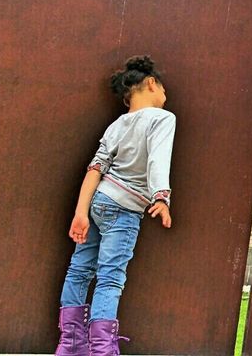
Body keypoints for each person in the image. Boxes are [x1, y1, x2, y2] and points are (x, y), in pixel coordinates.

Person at [53, 55, 176, 356]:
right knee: (110, 278)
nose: (165, 95)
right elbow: (157, 160)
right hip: (123, 210)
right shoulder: (163, 118)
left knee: (79, 270)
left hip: (98, 201)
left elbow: (94, 169)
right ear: (151, 83)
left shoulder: (116, 125)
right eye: (162, 88)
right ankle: (102, 351)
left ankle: (70, 347)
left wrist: (81, 213)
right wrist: (161, 196)